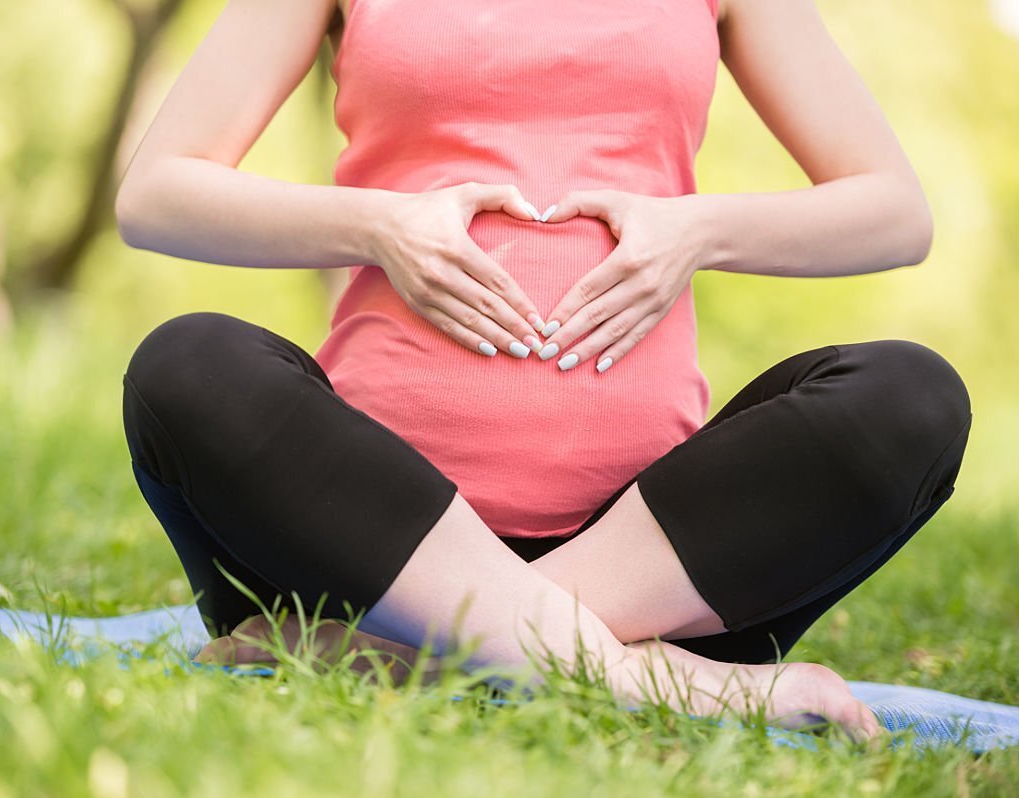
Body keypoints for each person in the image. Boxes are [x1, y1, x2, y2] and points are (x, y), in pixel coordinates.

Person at [115, 0, 971, 739]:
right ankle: (662, 683)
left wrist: (697, 231)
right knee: (189, 364)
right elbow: (156, 192)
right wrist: (382, 226)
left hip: (651, 578)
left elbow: (894, 212)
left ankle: (405, 657)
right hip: (347, 558)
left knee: (911, 400)